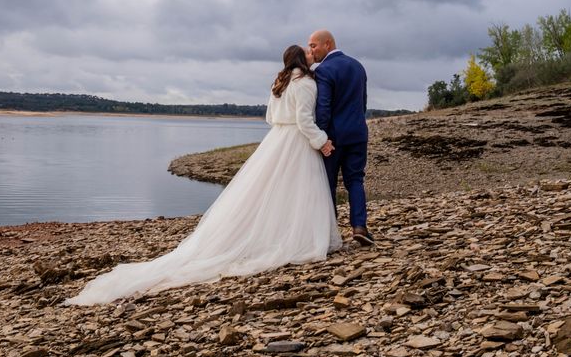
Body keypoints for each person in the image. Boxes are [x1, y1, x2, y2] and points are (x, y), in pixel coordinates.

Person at [65, 45, 342, 305]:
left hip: (277, 139)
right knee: (299, 191)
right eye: (307, 52)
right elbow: (305, 120)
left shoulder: (279, 82)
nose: (311, 54)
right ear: (301, 60)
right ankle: (298, 237)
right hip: (295, 141)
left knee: (270, 193)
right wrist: (322, 141)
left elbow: (270, 118)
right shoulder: (304, 83)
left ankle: (280, 234)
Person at [308, 30, 373, 246]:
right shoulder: (358, 66)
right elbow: (362, 103)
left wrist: (320, 137)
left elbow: (323, 108)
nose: (311, 51)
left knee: (328, 184)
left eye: (314, 45)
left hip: (334, 138)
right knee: (355, 180)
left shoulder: (324, 70)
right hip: (358, 133)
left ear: (328, 44)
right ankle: (359, 227)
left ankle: (331, 232)